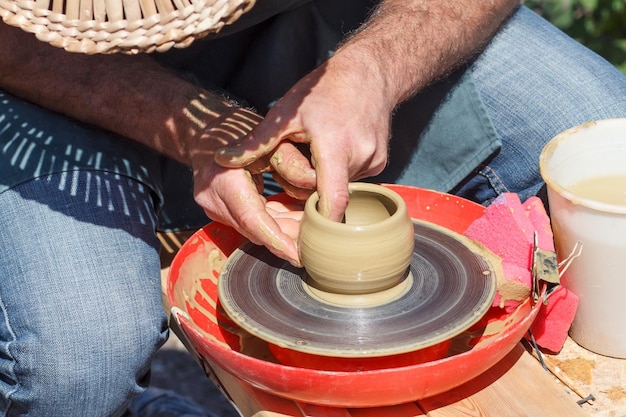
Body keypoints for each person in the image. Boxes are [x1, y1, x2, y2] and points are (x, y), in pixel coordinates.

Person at [1, 0, 625, 415]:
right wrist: (200, 127)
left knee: (602, 144)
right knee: (74, 359)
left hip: (310, 15)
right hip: (51, 70)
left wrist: (375, 66)